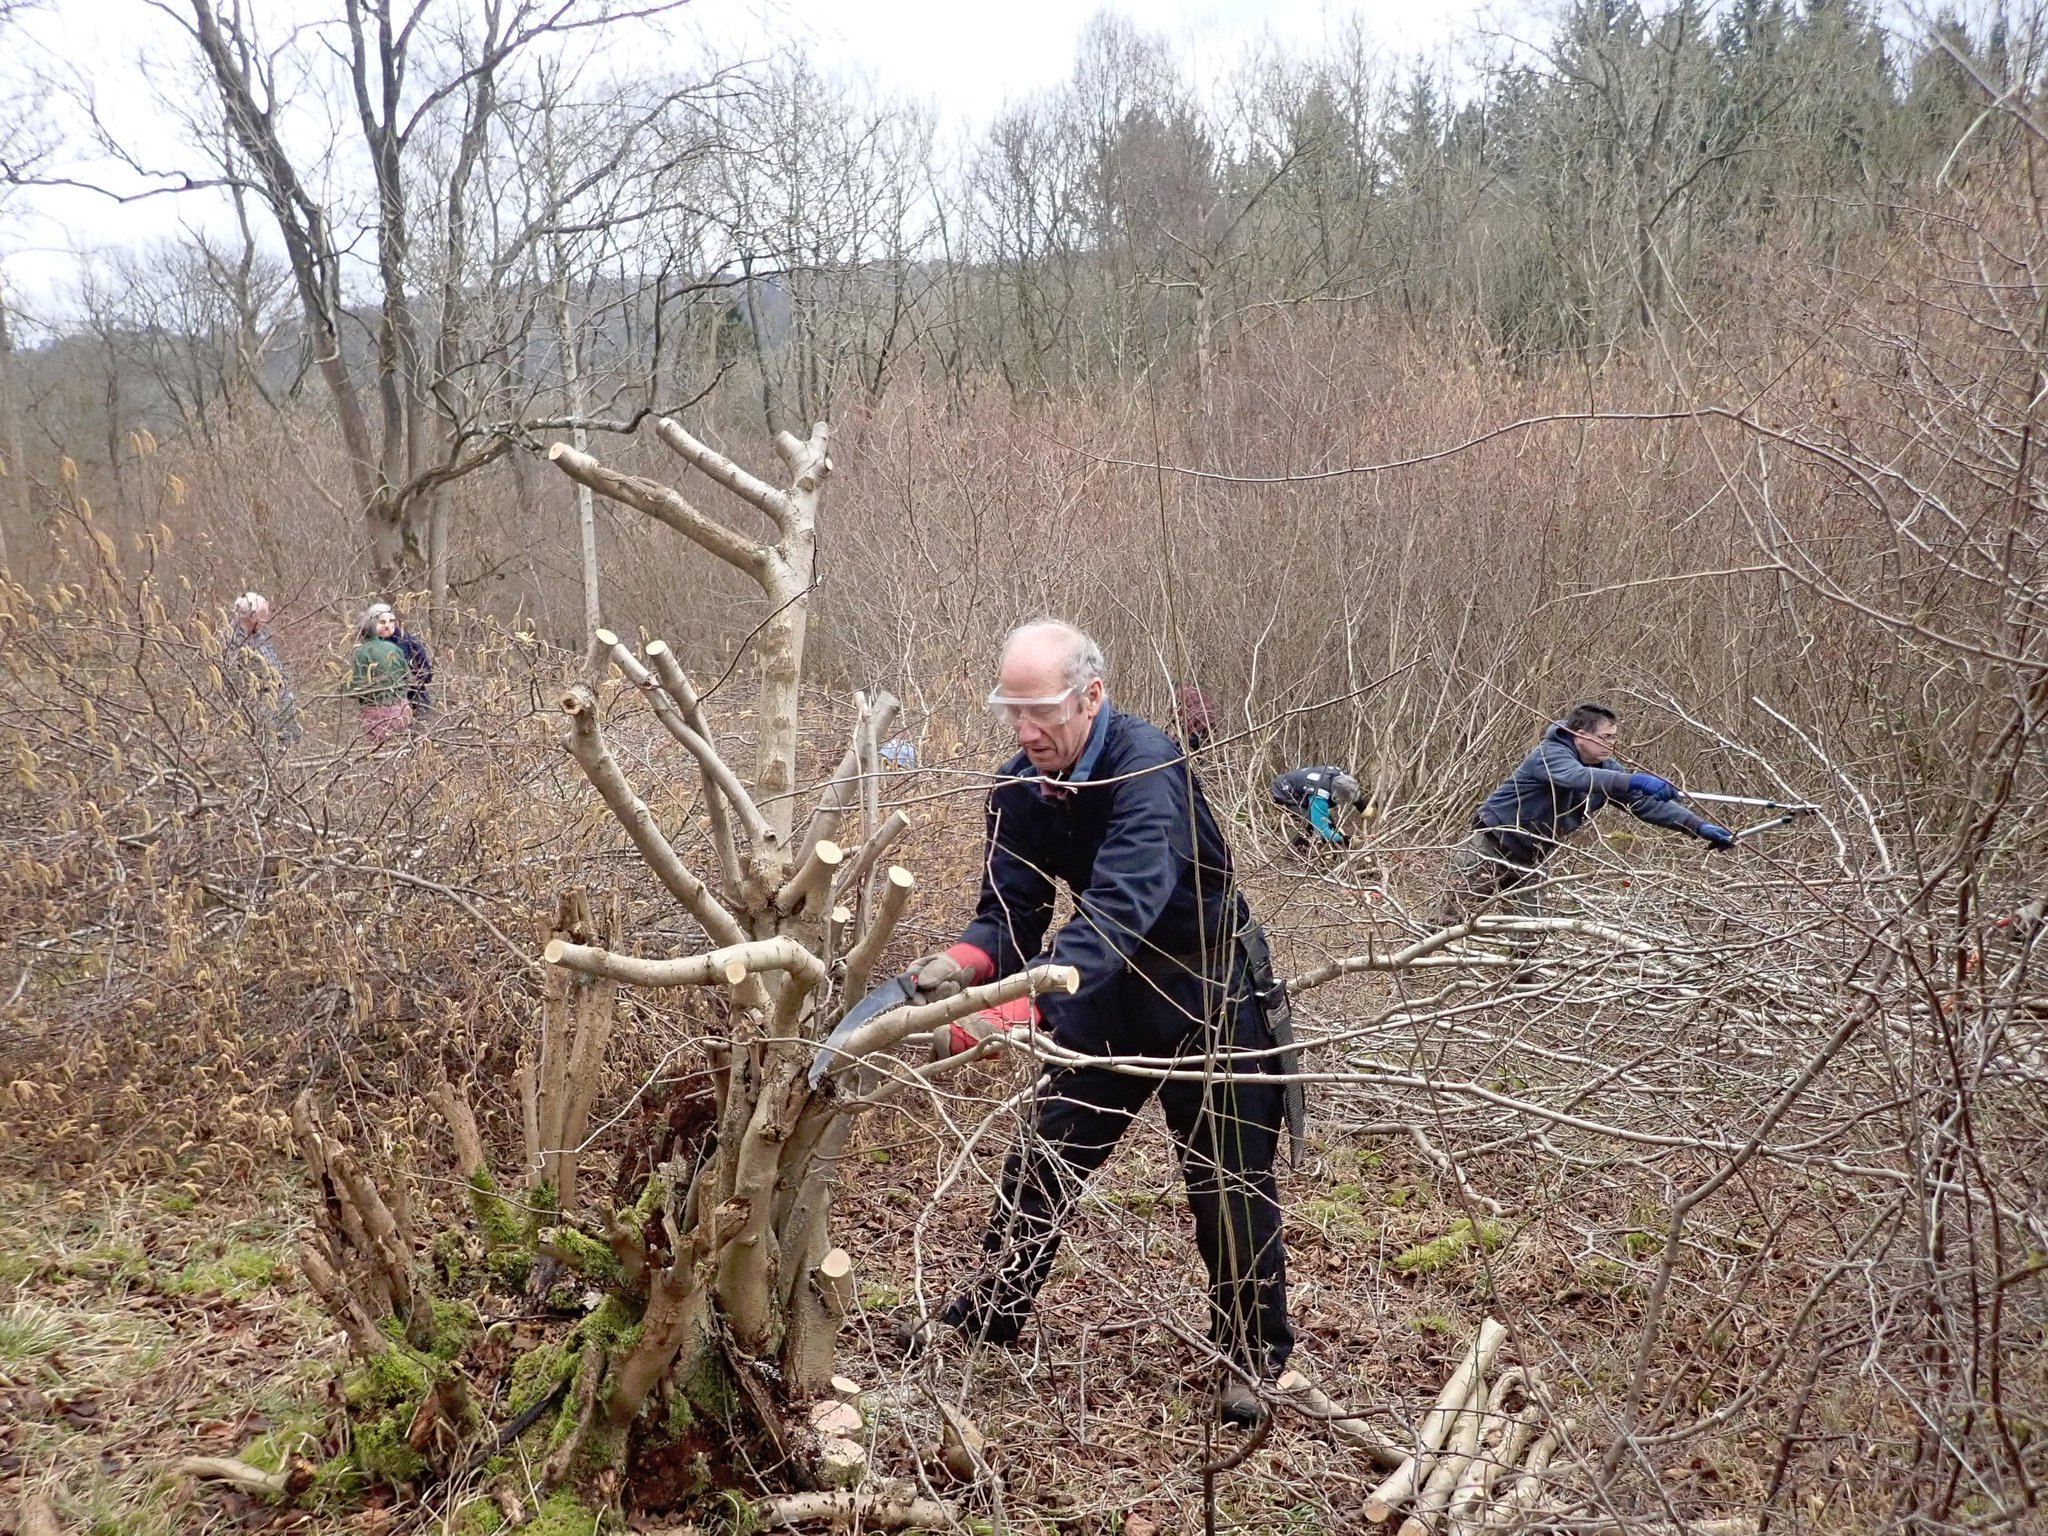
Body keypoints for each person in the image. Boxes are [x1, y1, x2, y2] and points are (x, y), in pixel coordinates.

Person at [901, 620, 1295, 1427]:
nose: (1025, 730)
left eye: (1041, 710)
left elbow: (1119, 911)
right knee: (1044, 1157)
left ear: (1091, 696)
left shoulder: (1149, 768)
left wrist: (1014, 1014)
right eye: (1011, 711)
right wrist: (961, 967)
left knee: (1228, 1183)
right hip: (1103, 991)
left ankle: (1251, 1353)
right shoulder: (1019, 789)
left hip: (1206, 990)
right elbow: (1009, 917)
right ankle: (990, 1316)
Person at [1444, 703, 1735, 921]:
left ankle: (1524, 985)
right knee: (1446, 921)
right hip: (1490, 845)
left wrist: (1697, 826)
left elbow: (1644, 804)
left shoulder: (1607, 769)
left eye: (1614, 737)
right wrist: (1634, 780)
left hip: (1533, 857)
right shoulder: (1549, 754)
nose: (1612, 744)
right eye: (1605, 737)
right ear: (1581, 735)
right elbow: (1576, 777)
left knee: (1529, 937)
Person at [219, 591, 302, 745]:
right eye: (262, 616)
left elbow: (276, 664)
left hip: (279, 699)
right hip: (257, 704)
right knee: (268, 741)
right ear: (251, 617)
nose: (265, 620)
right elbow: (235, 679)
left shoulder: (260, 635)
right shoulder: (231, 639)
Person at [348, 604, 413, 745]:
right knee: (402, 747)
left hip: (376, 712)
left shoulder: (361, 652)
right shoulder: (394, 648)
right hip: (401, 707)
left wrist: (345, 687)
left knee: (379, 749)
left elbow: (357, 687)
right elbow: (407, 676)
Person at [364, 600, 434, 720]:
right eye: (382, 622)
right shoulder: (365, 647)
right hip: (377, 707)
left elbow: (426, 675)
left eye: (391, 621)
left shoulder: (410, 643)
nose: (387, 625)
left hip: (414, 703)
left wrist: (407, 681)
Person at [1269, 765, 1361, 851]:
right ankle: (1295, 850)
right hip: (1282, 792)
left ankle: (1324, 846)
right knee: (1308, 820)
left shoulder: (1342, 777)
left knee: (1328, 821)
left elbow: (1350, 789)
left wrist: (1362, 806)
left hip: (1300, 787)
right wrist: (1343, 839)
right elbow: (1321, 829)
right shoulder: (1320, 794)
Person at [1177, 684, 1215, 752]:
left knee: (1178, 746)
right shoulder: (1199, 692)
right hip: (1210, 726)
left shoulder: (1180, 695)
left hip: (1197, 729)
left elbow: (1175, 716)